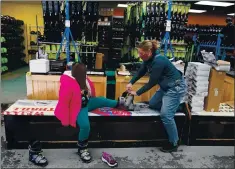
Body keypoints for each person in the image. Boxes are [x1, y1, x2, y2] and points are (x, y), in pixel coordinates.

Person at [54, 63, 127, 163]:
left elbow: (91, 93)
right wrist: (65, 118)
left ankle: (120, 103)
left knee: (102, 100)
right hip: (77, 107)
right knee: (85, 125)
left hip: (87, 102)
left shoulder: (84, 78)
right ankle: (82, 148)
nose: (86, 74)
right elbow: (64, 101)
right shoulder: (68, 82)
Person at [126, 40, 188, 153]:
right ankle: (179, 106)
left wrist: (137, 92)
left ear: (149, 51)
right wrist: (131, 82)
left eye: (141, 53)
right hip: (165, 86)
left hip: (175, 88)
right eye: (138, 52)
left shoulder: (159, 61)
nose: (139, 55)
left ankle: (174, 143)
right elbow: (141, 71)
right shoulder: (147, 59)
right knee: (153, 104)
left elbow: (152, 82)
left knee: (166, 115)